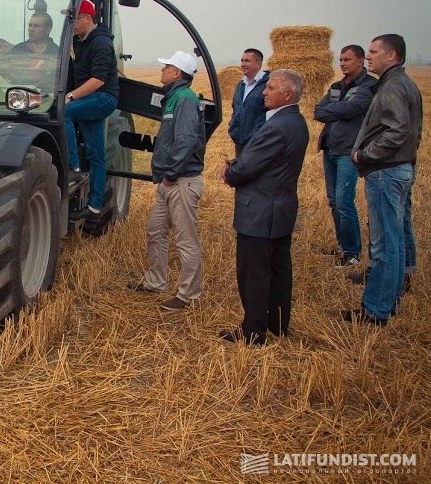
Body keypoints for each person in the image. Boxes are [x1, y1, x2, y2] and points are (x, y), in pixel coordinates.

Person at [220, 69, 309, 345]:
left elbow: (247, 167)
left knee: (254, 273)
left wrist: (230, 171)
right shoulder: (296, 122)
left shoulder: (276, 127)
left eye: (270, 88)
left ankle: (253, 332)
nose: (264, 92)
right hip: (281, 209)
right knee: (279, 269)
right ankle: (278, 323)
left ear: (287, 95)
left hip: (260, 212)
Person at [343, 34, 422, 326]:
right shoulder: (405, 84)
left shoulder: (391, 87)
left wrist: (363, 155)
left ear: (392, 56)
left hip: (387, 171)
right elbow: (414, 132)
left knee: (384, 244)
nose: (369, 56)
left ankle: (375, 310)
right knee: (396, 239)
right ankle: (392, 300)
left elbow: (397, 131)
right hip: (399, 168)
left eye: (374, 51)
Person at [129, 50, 206, 310]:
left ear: (176, 73)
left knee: (186, 240)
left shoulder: (184, 98)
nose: (161, 70)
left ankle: (188, 296)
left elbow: (186, 139)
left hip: (181, 181)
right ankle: (156, 281)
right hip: (169, 181)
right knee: (155, 231)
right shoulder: (173, 98)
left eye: (166, 67)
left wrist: (172, 174)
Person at [313, 44, 377, 268]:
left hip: (348, 152)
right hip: (330, 149)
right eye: (340, 60)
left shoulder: (368, 86)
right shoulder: (336, 86)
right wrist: (339, 109)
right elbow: (318, 111)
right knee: (333, 201)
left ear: (360, 61)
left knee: (344, 202)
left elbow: (353, 110)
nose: (342, 64)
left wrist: (336, 109)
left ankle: (352, 253)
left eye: (347, 60)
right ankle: (343, 246)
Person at [65, 0, 119, 233]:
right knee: (96, 154)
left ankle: (73, 166)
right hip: (90, 99)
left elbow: (98, 80)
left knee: (64, 112)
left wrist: (71, 96)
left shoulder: (101, 43)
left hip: (103, 98)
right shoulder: (81, 41)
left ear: (87, 18)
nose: (72, 24)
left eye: (75, 19)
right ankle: (96, 205)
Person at [228, 48, 269, 156]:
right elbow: (235, 109)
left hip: (259, 144)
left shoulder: (269, 84)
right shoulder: (241, 85)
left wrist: (258, 135)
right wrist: (232, 127)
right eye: (242, 61)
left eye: (247, 61)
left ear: (259, 64)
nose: (243, 64)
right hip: (240, 143)